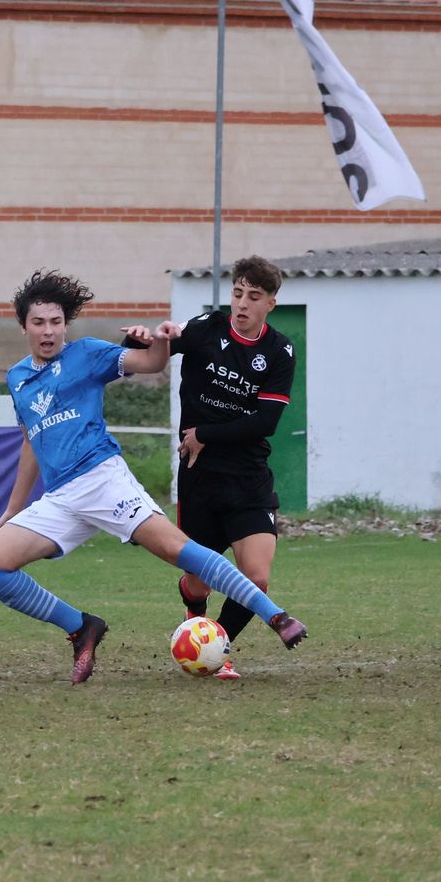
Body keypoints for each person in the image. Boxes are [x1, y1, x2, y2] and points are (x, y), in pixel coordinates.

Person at [0, 269, 307, 685]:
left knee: (180, 551)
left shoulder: (87, 353)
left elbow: (151, 362)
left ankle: (276, 616)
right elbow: (30, 443)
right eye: (39, 322)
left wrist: (157, 340)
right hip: (60, 499)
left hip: (103, 480)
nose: (48, 331)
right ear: (24, 327)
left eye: (56, 322)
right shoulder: (17, 378)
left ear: (66, 325)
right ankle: (82, 627)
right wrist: (12, 509)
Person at [170, 255, 295, 680]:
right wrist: (144, 338)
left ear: (270, 304)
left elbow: (266, 422)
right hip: (200, 478)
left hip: (248, 479)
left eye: (253, 296)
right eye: (238, 293)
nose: (242, 303)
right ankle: (195, 612)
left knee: (255, 579)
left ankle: (216, 648)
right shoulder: (206, 328)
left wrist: (205, 433)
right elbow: (158, 348)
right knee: (197, 583)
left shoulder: (279, 351)